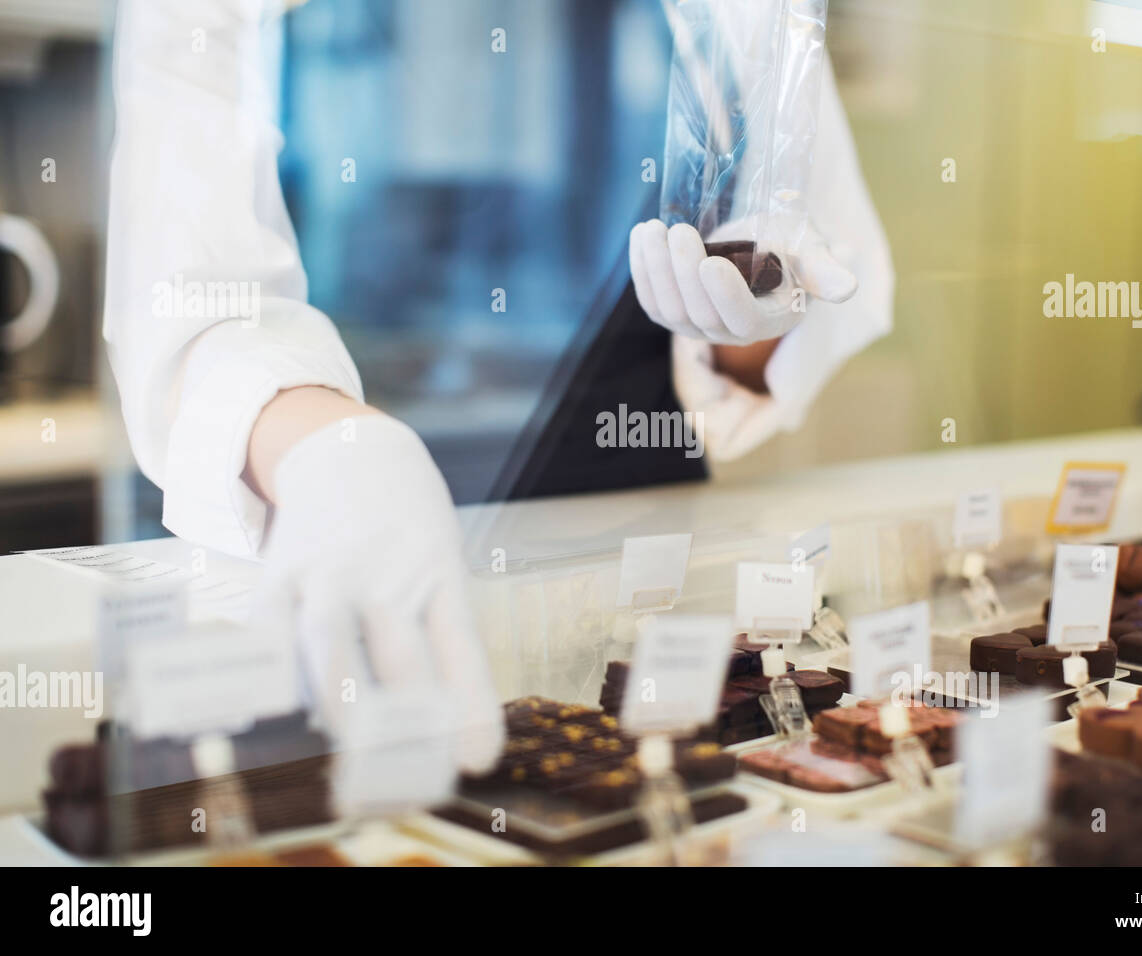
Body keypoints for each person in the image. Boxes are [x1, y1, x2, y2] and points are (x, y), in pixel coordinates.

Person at [103, 0, 893, 771]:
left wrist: (753, 297)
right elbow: (187, 298)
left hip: (634, 557)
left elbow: (768, 334)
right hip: (334, 539)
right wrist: (338, 459)